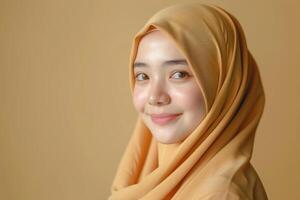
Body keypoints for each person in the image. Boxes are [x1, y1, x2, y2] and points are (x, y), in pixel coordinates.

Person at [109, 2, 268, 199]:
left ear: (222, 84)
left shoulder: (219, 194)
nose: (154, 97)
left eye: (178, 74)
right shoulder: (157, 174)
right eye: (143, 76)